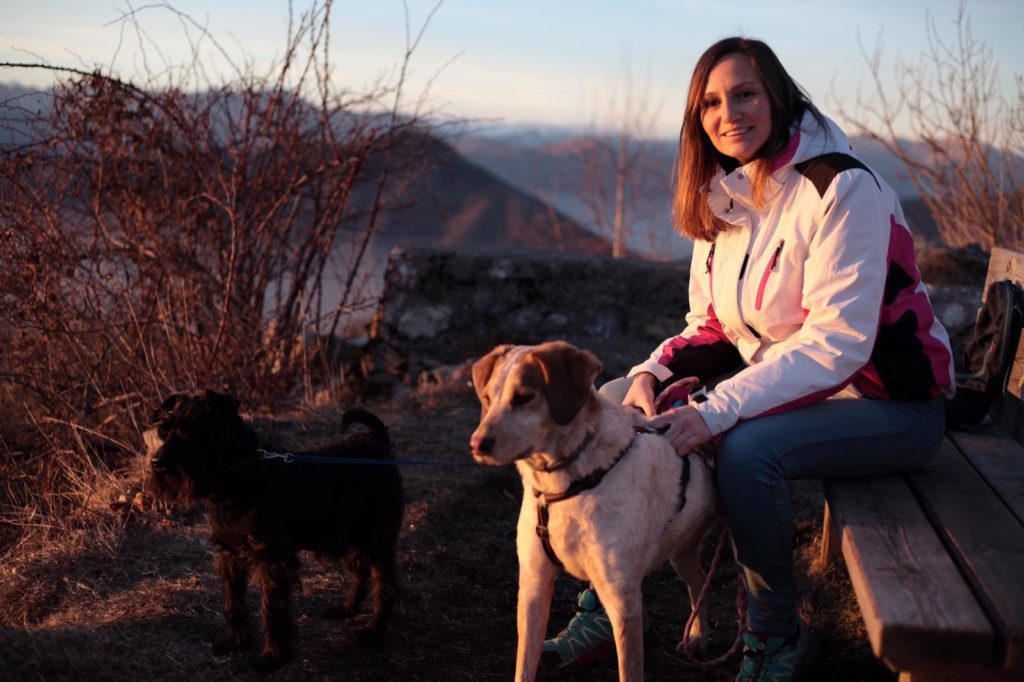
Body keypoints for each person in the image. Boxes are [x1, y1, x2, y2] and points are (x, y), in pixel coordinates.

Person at [541, 36, 954, 681]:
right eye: (710, 101)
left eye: (745, 93)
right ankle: (602, 604)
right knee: (617, 398)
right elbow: (712, 327)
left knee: (746, 450)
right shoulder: (726, 198)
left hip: (890, 404)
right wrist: (652, 376)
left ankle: (775, 636)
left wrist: (714, 411)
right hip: (802, 389)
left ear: (778, 97)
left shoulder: (842, 188)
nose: (728, 112)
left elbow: (839, 346)